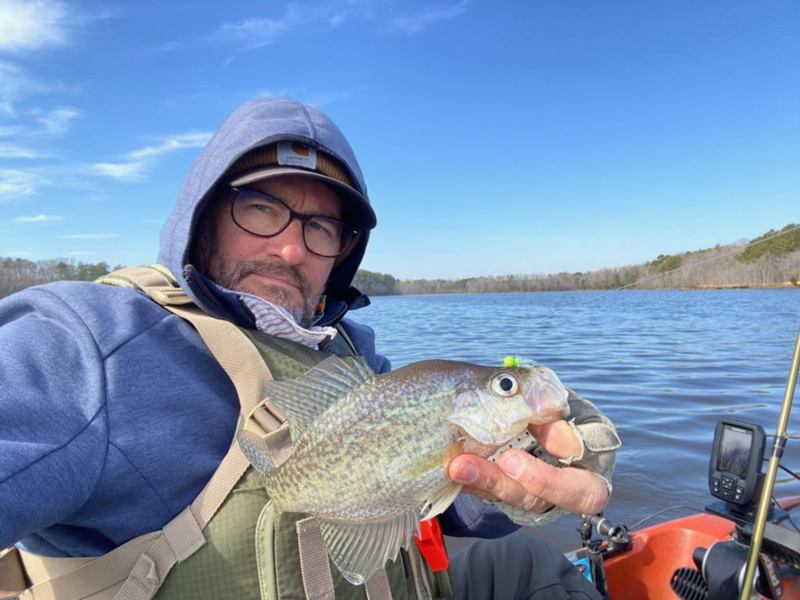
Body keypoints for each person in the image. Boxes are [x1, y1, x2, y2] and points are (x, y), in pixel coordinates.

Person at [0, 98, 620, 600]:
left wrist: (550, 463)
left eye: (321, 227)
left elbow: (455, 506)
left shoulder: (351, 354)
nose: (292, 249)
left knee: (536, 565)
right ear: (204, 214)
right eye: (262, 206)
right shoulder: (83, 341)